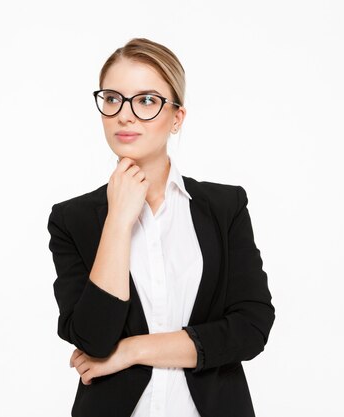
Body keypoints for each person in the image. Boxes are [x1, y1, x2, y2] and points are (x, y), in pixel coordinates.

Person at [47, 37, 275, 417]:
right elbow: (93, 339)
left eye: (147, 100)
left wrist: (131, 351)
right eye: (112, 99)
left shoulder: (225, 207)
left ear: (177, 118)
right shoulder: (73, 220)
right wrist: (118, 220)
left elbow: (251, 327)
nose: (125, 114)